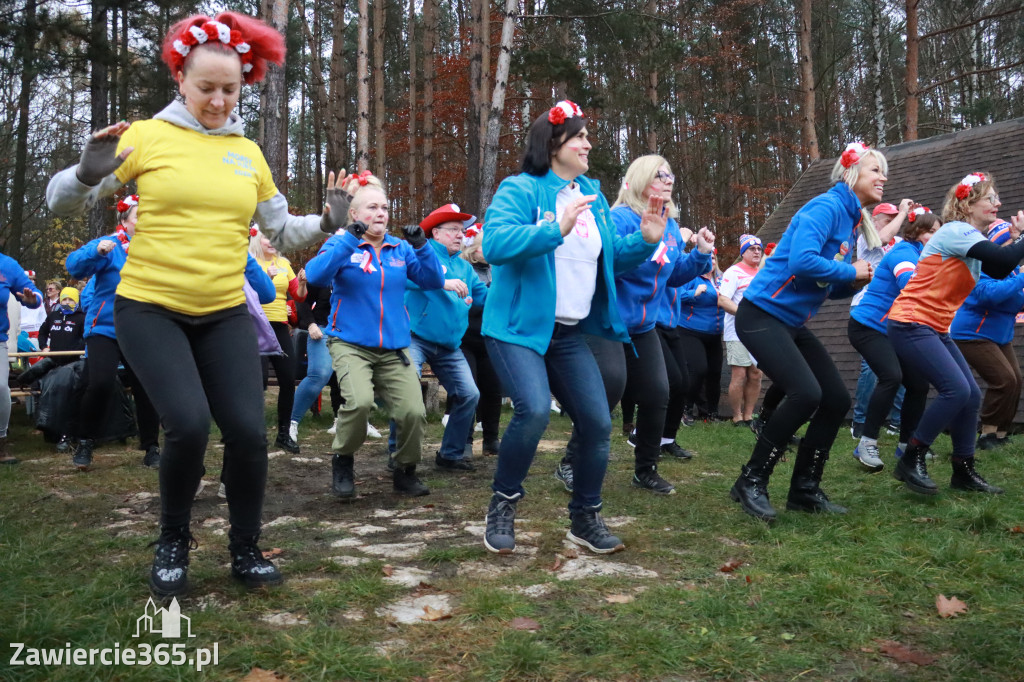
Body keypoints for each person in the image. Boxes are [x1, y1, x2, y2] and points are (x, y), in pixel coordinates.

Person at [47, 10, 345, 597]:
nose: (217, 100)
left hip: (224, 309)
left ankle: (245, 544)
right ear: (180, 79)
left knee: (247, 430)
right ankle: (174, 538)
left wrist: (329, 219)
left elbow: (283, 232)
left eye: (229, 89)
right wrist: (86, 173)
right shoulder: (146, 137)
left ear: (242, 87)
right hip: (150, 308)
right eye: (205, 87)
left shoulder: (249, 154)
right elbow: (62, 201)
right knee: (186, 425)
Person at [480, 101, 663, 556]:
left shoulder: (593, 196)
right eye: (579, 137)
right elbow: (495, 243)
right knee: (535, 411)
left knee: (598, 422)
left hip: (569, 333)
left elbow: (607, 260)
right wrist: (553, 230)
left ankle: (585, 517)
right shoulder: (520, 189)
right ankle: (503, 504)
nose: (588, 144)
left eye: (586, 137)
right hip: (516, 329)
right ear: (553, 143)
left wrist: (644, 240)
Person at [730, 141, 878, 521]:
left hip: (791, 322)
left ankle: (804, 490)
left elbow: (827, 286)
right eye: (876, 170)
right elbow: (803, 261)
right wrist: (850, 271)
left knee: (835, 400)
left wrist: (856, 281)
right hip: (760, 314)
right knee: (805, 393)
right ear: (852, 172)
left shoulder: (851, 219)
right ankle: (751, 480)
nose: (883, 178)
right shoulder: (826, 206)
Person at [304, 176, 444, 500]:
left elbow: (433, 280)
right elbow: (315, 276)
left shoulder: (400, 249)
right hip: (350, 344)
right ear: (354, 214)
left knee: (412, 411)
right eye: (372, 207)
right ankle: (343, 460)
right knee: (360, 402)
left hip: (394, 347)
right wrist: (349, 240)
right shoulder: (342, 244)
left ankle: (405, 470)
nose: (381, 213)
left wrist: (423, 247)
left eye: (384, 207)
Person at [888, 173, 1024, 496]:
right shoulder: (955, 231)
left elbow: (1002, 267)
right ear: (968, 202)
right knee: (955, 390)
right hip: (911, 321)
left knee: (971, 395)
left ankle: (963, 470)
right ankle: (912, 455)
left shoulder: (968, 239)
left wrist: (1016, 239)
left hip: (933, 326)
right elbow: (1004, 261)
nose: (998, 204)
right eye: (990, 198)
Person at [608, 155, 715, 495]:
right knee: (602, 397)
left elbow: (674, 275)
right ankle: (570, 462)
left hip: (645, 326)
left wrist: (699, 254)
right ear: (641, 180)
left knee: (659, 391)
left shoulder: (669, 223)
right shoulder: (619, 219)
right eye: (660, 175)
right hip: (610, 325)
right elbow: (611, 268)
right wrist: (644, 241)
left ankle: (646, 470)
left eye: (671, 174)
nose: (669, 180)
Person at [64, 194, 162, 471]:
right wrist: (97, 252)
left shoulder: (157, 249)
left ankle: (151, 447)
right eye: (138, 217)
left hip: (142, 329)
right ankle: (85, 441)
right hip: (105, 329)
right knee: (102, 384)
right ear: (124, 221)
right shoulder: (111, 245)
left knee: (147, 387)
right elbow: (74, 266)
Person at [390, 203, 487, 471]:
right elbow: (404, 277)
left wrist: (515, 291)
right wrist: (442, 282)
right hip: (415, 337)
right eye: (454, 229)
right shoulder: (419, 254)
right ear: (435, 233)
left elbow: (486, 299)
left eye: (462, 230)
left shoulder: (465, 268)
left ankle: (451, 454)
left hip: (449, 345)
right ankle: (397, 453)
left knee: (469, 394)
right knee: (406, 392)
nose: (461, 235)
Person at [847, 208, 939, 471]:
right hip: (867, 327)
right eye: (930, 231)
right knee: (891, 376)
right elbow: (908, 282)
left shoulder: (926, 257)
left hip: (895, 331)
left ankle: (907, 444)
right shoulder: (903, 253)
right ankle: (865, 442)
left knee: (918, 384)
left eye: (938, 232)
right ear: (915, 232)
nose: (936, 237)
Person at [950, 219, 1024, 450]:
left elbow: (1014, 299)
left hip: (1000, 334)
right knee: (1003, 379)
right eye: (1007, 243)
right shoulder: (981, 265)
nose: (1011, 249)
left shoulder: (1011, 270)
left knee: (1016, 380)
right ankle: (987, 434)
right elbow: (988, 296)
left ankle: (1001, 433)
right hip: (973, 333)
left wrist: (1012, 292)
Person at [849, 201, 912, 438]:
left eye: (896, 218)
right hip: (867, 309)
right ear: (875, 221)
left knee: (900, 364)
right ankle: (860, 421)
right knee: (870, 369)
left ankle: (896, 420)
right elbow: (882, 239)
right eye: (888, 218)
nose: (895, 222)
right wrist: (904, 212)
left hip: (893, 311)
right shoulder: (867, 236)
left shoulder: (901, 244)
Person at [249, 228, 306, 453]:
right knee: (258, 381)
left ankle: (283, 434)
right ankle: (254, 433)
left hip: (280, 326)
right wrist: (267, 279)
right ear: (256, 238)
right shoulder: (249, 261)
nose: (271, 242)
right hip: (255, 325)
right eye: (266, 237)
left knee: (287, 378)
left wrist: (302, 282)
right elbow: (242, 292)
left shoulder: (284, 263)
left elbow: (299, 295)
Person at [458, 224, 502, 456]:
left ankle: (491, 439)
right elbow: (468, 304)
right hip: (466, 339)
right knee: (469, 389)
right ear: (473, 249)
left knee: (493, 389)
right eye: (486, 245)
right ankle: (464, 441)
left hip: (490, 338)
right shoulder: (463, 270)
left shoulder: (498, 269)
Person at [0, 259, 42, 465]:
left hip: (0, 340)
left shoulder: (7, 265)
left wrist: (32, 299)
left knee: (1, 388)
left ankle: (1, 441)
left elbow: (35, 296)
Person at [719, 234, 763, 427]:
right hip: (737, 331)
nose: (756, 252)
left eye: (759, 249)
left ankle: (749, 415)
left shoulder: (763, 272)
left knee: (756, 374)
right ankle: (736, 417)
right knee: (740, 374)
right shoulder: (733, 272)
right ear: (743, 252)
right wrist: (744, 314)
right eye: (752, 249)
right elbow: (723, 300)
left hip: (761, 331)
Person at [677, 250, 725, 424]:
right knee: (698, 369)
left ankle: (710, 413)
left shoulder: (721, 279)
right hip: (690, 330)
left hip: (714, 333)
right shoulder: (690, 277)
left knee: (715, 373)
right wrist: (693, 293)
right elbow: (675, 295)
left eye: (713, 258)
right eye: (706, 257)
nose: (710, 261)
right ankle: (685, 408)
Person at [16, 286, 86, 387]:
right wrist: (43, 347)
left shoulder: (82, 318)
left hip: (74, 361)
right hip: (53, 359)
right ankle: (32, 397)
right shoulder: (53, 316)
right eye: (64, 299)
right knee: (27, 377)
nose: (67, 302)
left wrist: (74, 349)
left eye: (70, 300)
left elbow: (86, 339)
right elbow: (43, 332)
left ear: (76, 301)